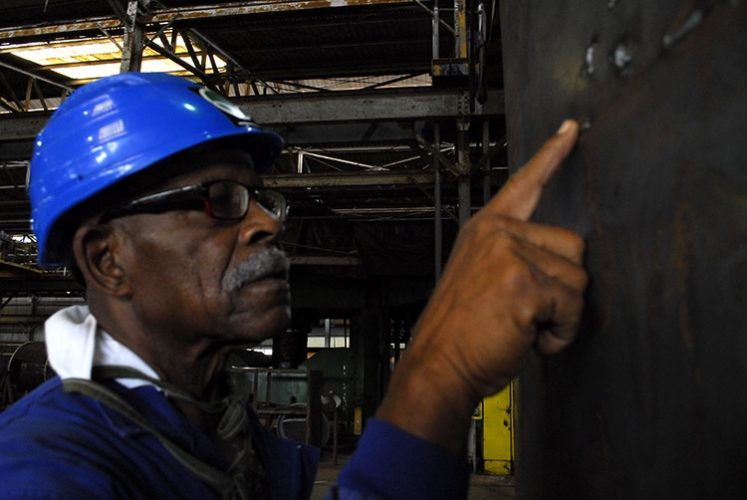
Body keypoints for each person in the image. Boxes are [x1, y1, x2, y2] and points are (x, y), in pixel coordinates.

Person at [0, 73, 586, 499]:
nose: (267, 222)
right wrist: (439, 370)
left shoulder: (222, 430)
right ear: (107, 259)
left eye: (259, 196)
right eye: (222, 200)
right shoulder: (41, 468)